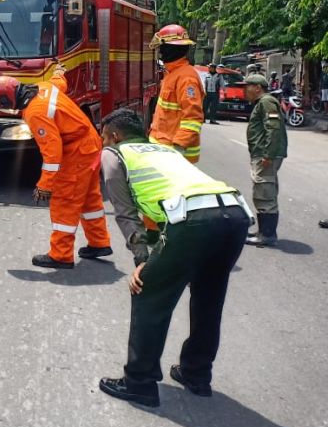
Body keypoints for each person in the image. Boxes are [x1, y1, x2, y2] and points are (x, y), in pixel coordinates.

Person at [97, 108, 251, 408]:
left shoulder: (114, 155)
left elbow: (126, 214)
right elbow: (162, 208)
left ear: (114, 136)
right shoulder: (163, 149)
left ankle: (139, 382)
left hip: (195, 220)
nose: (103, 142)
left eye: (104, 136)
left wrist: (141, 259)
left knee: (147, 290)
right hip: (234, 214)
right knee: (208, 296)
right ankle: (196, 373)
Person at [0, 66, 112, 269]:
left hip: (77, 151)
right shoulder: (43, 87)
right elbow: (59, 83)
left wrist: (45, 185)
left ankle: (61, 255)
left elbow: (53, 154)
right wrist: (59, 71)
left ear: (6, 101)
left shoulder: (36, 112)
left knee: (65, 200)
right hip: (90, 142)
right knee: (89, 197)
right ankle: (99, 243)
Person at [148, 24, 204, 164]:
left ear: (170, 49)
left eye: (162, 48)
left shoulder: (186, 78)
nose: (160, 52)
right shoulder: (172, 74)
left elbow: (192, 119)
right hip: (163, 150)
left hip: (174, 155)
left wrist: (178, 148)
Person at [243, 73, 288, 247]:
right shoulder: (262, 103)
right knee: (263, 191)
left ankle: (267, 235)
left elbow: (273, 129)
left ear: (257, 87)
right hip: (263, 153)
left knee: (264, 193)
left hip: (265, 154)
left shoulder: (266, 102)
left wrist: (268, 154)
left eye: (247, 86)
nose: (245, 90)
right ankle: (263, 231)